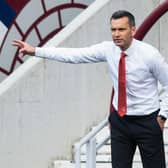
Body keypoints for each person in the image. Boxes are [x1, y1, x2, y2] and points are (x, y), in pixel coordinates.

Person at [12, 10, 167, 168]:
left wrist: (163, 116)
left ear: (133, 30)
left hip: (147, 121)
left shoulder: (149, 55)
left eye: (121, 29)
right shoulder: (108, 50)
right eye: (113, 30)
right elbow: (74, 55)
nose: (116, 34)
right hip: (120, 122)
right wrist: (36, 51)